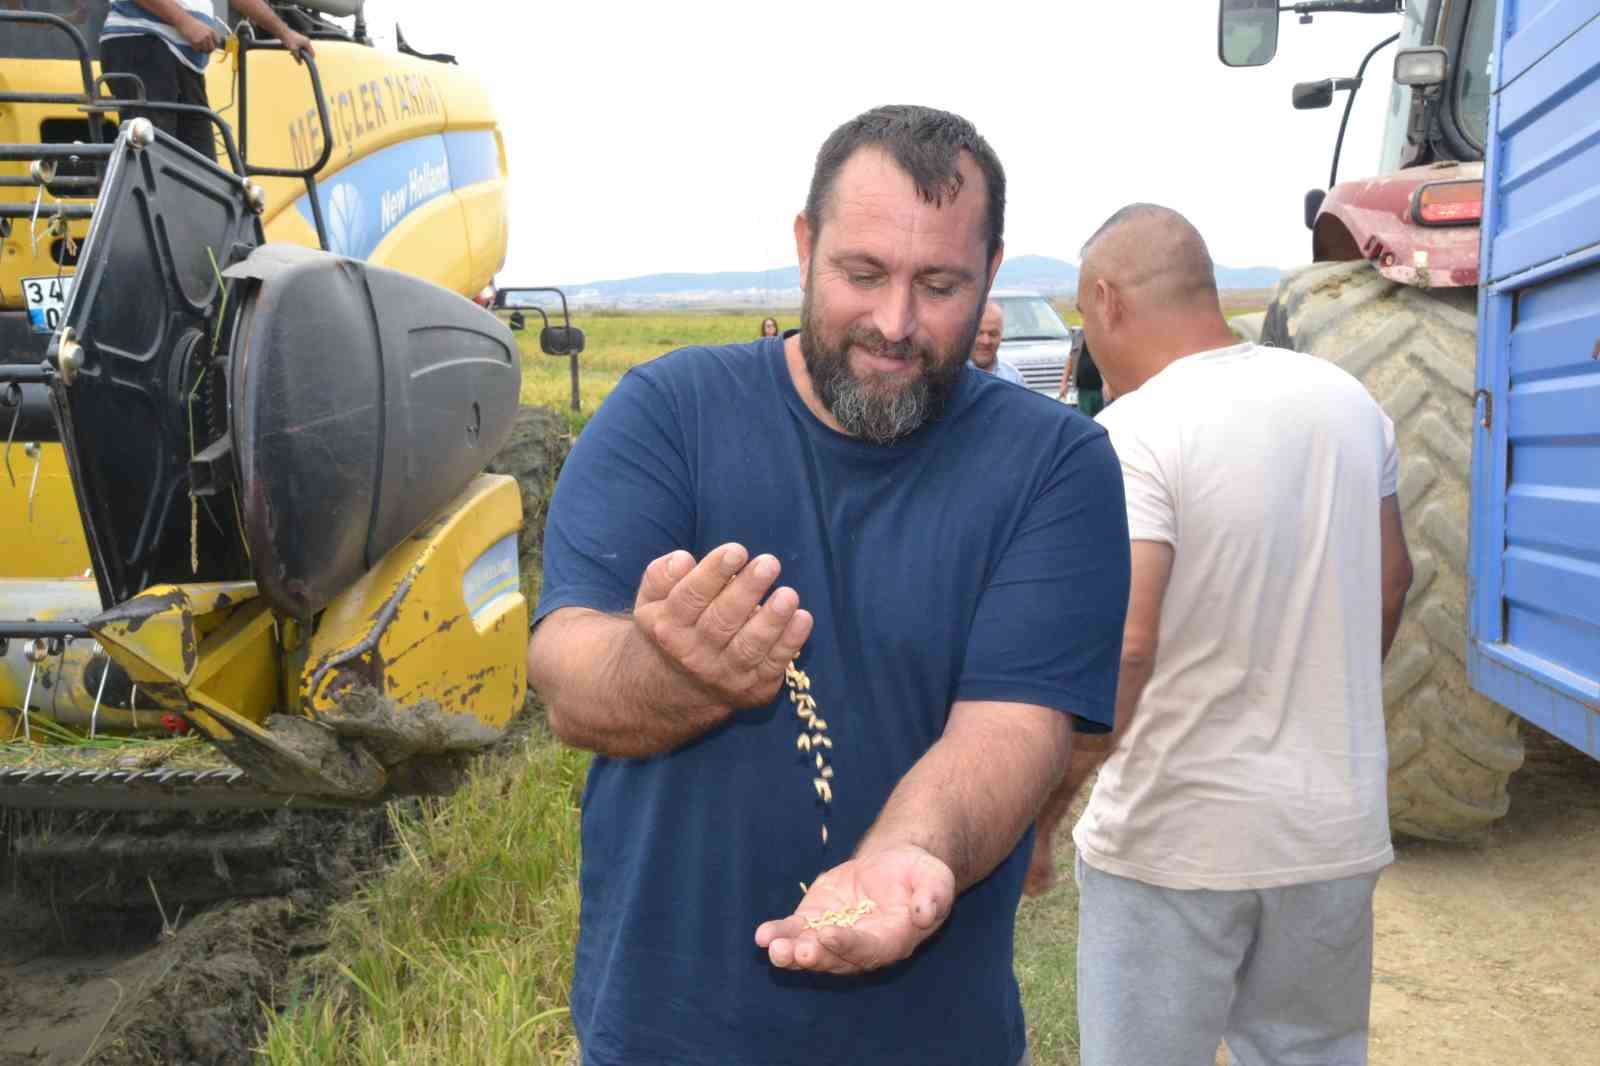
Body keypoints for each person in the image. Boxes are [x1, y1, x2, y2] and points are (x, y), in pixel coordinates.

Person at [526, 105, 1130, 1066]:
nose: (896, 324)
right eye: (863, 274)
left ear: (992, 274)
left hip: (933, 1039)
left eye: (940, 286)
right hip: (666, 1032)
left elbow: (1016, 725)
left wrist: (909, 856)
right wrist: (672, 670)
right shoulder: (667, 414)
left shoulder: (1054, 465)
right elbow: (568, 673)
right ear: (806, 246)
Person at [1024, 203, 1413, 1066]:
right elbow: (1393, 580)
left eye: (1086, 324)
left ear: (1107, 300)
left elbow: (1128, 644)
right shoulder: (1348, 402)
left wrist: (1047, 815)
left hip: (1175, 841)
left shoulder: (1133, 433)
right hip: (1331, 831)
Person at [100, 0, 313, 161]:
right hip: (144, 43)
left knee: (201, 169)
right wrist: (186, 23)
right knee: (154, 158)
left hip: (179, 57)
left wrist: (286, 34)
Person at [967, 299, 1024, 384]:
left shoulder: (1013, 377)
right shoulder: (950, 377)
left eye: (993, 334)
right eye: (979, 333)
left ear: (1001, 336)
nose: (986, 341)